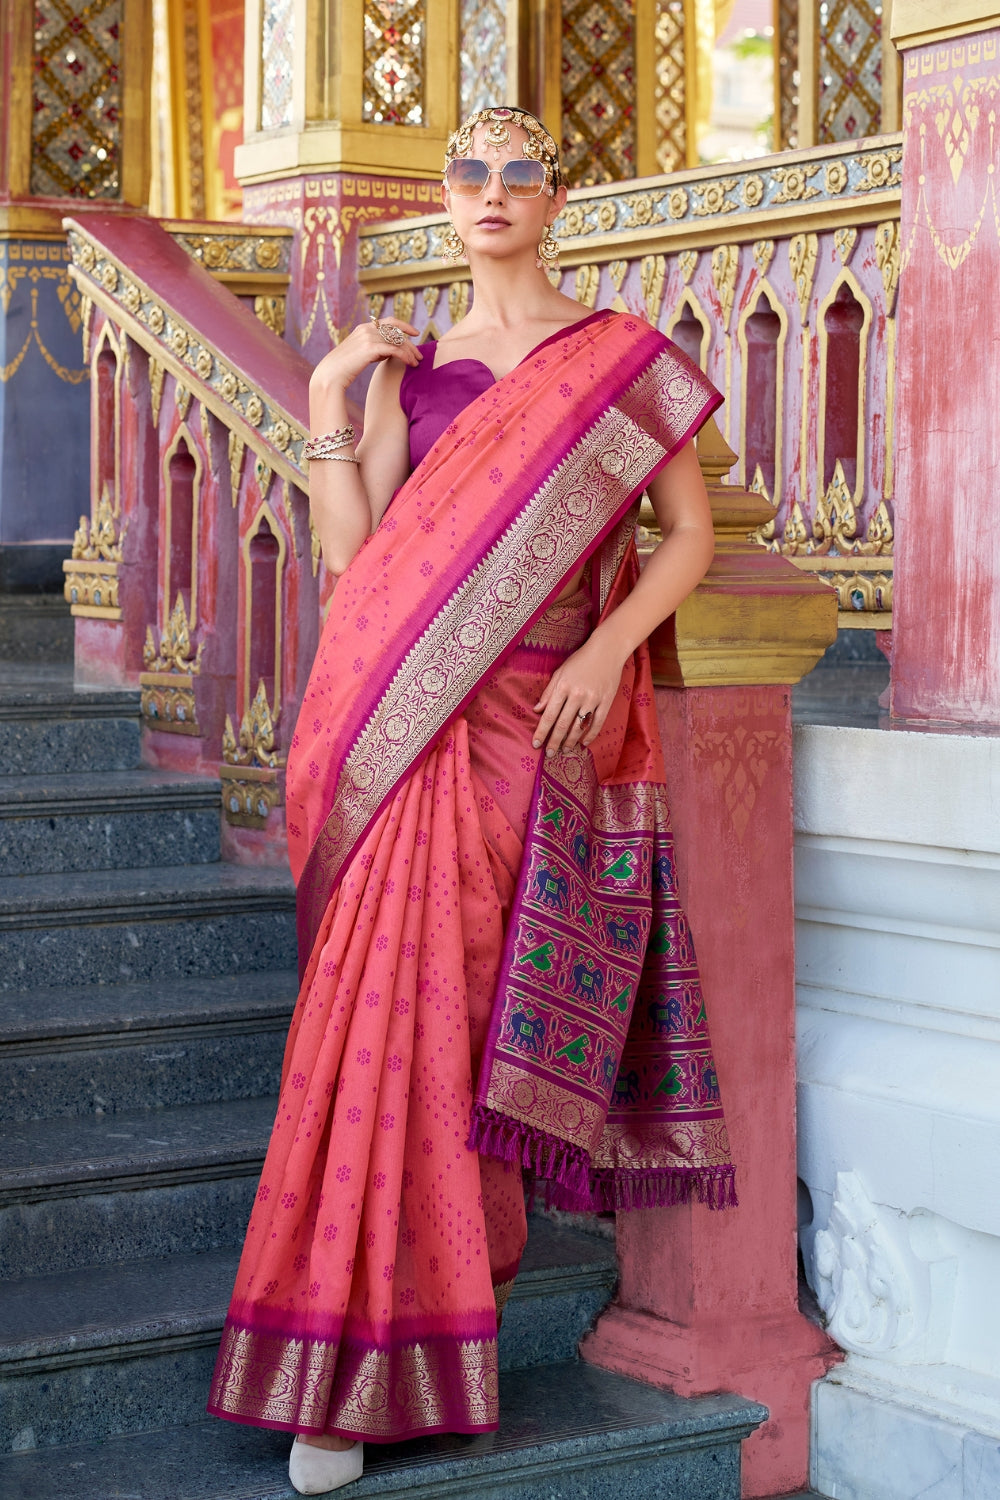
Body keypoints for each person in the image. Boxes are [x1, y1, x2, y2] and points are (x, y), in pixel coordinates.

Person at [208, 106, 737, 1495]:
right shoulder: (417, 371)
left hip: (533, 722)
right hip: (401, 726)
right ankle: (346, 1365)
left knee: (457, 1024)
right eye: (469, 172)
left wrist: (614, 649)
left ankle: (434, 1323)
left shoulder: (617, 363)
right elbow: (355, 558)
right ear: (445, 202)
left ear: (556, 199)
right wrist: (330, 398)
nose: (492, 191)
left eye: (517, 172)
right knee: (383, 1019)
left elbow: (685, 536)